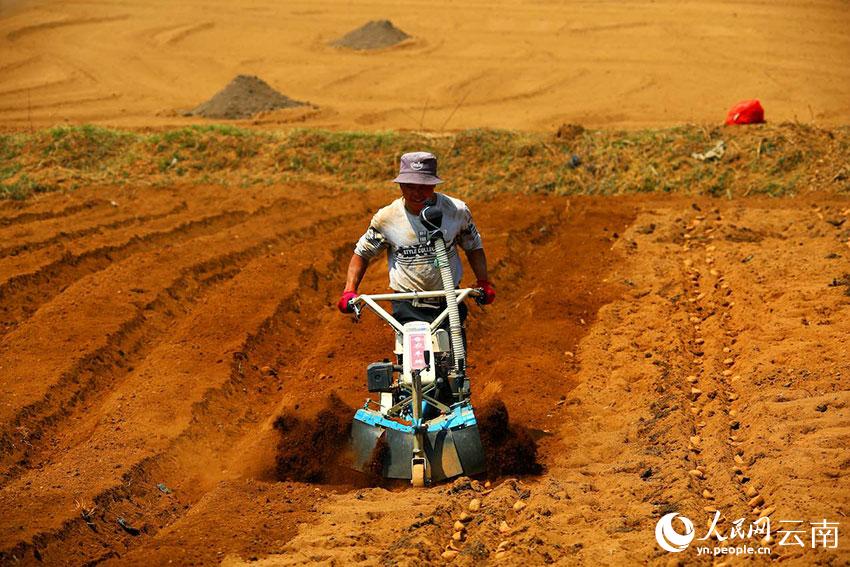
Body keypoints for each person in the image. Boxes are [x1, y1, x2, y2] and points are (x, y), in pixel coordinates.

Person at [337, 151, 495, 326]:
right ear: (401, 186)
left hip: (449, 299)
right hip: (407, 304)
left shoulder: (456, 211)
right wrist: (349, 291)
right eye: (410, 186)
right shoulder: (387, 218)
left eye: (424, 186)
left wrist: (483, 282)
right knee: (413, 352)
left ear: (434, 185)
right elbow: (362, 253)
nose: (417, 193)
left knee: (455, 349)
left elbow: (473, 246)